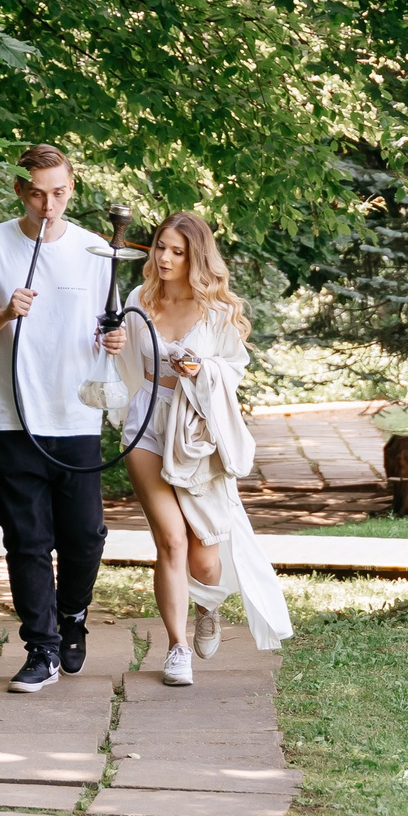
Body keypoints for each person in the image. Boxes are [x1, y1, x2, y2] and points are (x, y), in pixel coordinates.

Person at [103, 210, 292, 685]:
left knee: (205, 553)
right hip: (146, 421)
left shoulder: (217, 312)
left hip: (195, 431)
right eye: (161, 247)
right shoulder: (137, 299)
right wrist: (107, 342)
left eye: (177, 251)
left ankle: (208, 606)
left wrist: (201, 369)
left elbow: (233, 369)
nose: (164, 257)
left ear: (195, 257)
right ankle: (176, 647)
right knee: (170, 540)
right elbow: (121, 360)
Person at [0, 145, 111, 692]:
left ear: (73, 190)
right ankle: (40, 648)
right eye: (38, 193)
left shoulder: (96, 250)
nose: (49, 204)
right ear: (20, 190)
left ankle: (73, 617)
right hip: (10, 418)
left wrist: (115, 337)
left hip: (79, 416)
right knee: (26, 539)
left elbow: (113, 330)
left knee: (86, 537)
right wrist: (4, 312)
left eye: (59, 193)